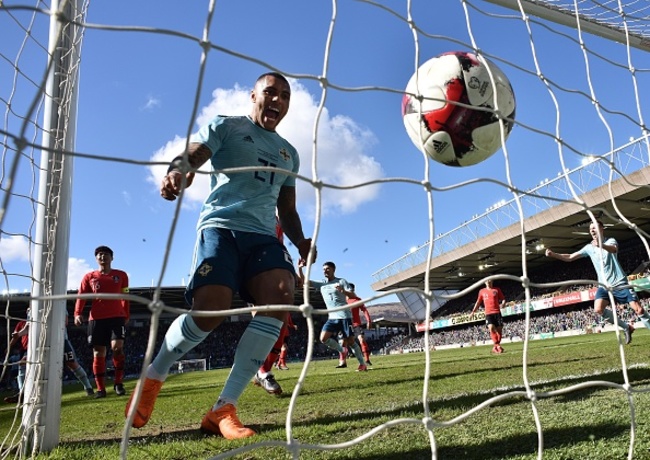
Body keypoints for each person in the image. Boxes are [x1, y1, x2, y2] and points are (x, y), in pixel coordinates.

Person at [125, 72, 314, 440]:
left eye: (285, 96)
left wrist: (301, 241)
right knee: (210, 310)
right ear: (253, 96)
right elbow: (195, 153)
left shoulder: (289, 153)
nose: (277, 100)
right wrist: (179, 170)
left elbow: (286, 208)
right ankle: (152, 379)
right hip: (221, 228)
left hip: (262, 236)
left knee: (281, 293)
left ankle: (222, 408)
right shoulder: (226, 126)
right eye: (270, 92)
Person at [545, 219, 650, 344]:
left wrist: (601, 245)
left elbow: (613, 249)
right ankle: (627, 327)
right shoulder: (589, 248)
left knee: (639, 310)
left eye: (594, 228)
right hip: (604, 285)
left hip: (620, 283)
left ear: (601, 229)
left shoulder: (610, 240)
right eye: (590, 229)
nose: (592, 231)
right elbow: (570, 257)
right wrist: (553, 254)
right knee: (598, 309)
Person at [74, 245, 130, 398]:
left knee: (117, 348)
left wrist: (126, 314)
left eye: (105, 254)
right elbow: (82, 296)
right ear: (96, 258)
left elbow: (126, 296)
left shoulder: (121, 275)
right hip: (97, 318)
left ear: (112, 257)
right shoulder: (89, 277)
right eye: (99, 255)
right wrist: (78, 313)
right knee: (99, 352)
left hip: (117, 316)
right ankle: (101, 389)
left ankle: (118, 383)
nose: (102, 257)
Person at [298, 261, 367, 371]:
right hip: (332, 318)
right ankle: (342, 350)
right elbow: (304, 282)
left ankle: (362, 364)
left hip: (344, 316)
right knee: (323, 338)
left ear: (333, 270)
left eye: (328, 269)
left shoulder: (341, 281)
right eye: (324, 269)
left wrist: (343, 291)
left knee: (351, 342)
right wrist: (300, 268)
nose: (325, 271)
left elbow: (353, 295)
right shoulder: (322, 284)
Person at [470, 279, 506, 353]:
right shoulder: (482, 291)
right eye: (487, 281)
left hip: (497, 312)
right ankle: (497, 346)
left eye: (490, 281)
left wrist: (503, 303)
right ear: (485, 282)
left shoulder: (497, 290)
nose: (488, 282)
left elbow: (503, 299)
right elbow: (478, 302)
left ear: (492, 281)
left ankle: (496, 346)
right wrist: (473, 312)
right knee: (491, 328)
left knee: (499, 330)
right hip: (488, 313)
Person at [346, 283, 373, 366]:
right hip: (346, 324)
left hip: (356, 324)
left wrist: (369, 321)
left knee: (361, 339)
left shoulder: (357, 300)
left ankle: (367, 359)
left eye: (351, 289)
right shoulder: (342, 300)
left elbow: (364, 310)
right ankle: (344, 360)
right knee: (346, 342)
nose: (350, 290)